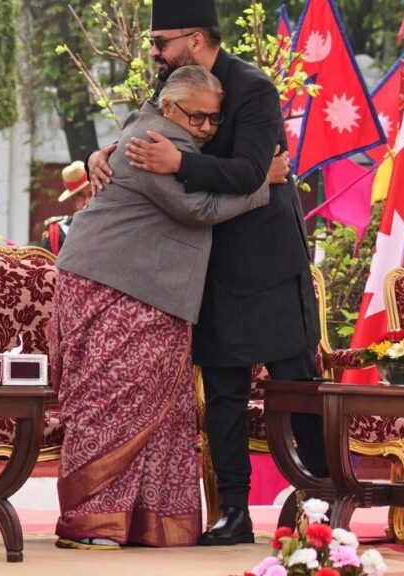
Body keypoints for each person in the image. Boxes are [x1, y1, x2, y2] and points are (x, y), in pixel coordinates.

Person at [85, 0, 324, 546]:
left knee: (297, 388)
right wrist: (107, 152)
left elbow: (250, 171)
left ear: (195, 38)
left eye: (161, 42)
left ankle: (323, 496)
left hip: (267, 266)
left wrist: (182, 164)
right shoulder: (174, 79)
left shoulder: (253, 87)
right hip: (208, 263)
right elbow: (146, 134)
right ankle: (233, 512)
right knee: (223, 395)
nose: (153, 53)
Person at [51, 65, 274, 550]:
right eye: (199, 118)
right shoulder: (150, 141)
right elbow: (197, 210)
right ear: (170, 107)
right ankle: (92, 523)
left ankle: (150, 523)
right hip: (113, 281)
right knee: (113, 399)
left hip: (147, 286)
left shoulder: (168, 135)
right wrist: (264, 183)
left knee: (163, 410)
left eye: (215, 120)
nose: (207, 130)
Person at [39, 161, 92, 255]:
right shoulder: (56, 234)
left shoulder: (115, 226)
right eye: (80, 197)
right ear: (73, 201)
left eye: (91, 194)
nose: (87, 202)